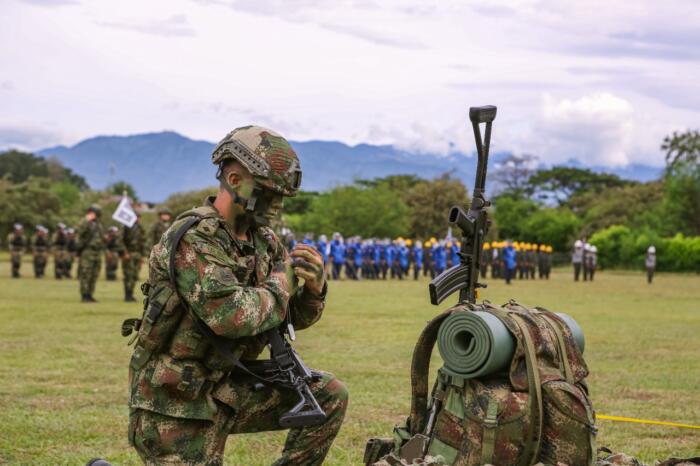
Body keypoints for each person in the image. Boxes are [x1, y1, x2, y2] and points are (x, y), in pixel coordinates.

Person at [128, 125, 347, 466]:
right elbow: (230, 317)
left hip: (225, 388)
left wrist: (314, 292)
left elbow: (284, 317)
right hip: (173, 405)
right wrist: (281, 283)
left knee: (329, 394)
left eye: (282, 197)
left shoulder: (264, 241)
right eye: (268, 193)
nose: (276, 206)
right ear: (233, 179)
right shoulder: (194, 239)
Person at [76, 204, 105, 302]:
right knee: (86, 274)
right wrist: (86, 219)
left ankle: (89, 294)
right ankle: (84, 295)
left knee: (94, 275)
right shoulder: (86, 222)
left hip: (97, 252)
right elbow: (79, 231)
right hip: (88, 252)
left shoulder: (98, 225)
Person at [121, 213, 147, 302]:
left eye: (139, 217)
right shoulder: (126, 227)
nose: (138, 219)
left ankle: (131, 293)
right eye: (136, 217)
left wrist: (142, 256)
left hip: (137, 254)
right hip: (129, 254)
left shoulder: (140, 228)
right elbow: (121, 240)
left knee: (135, 275)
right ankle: (127, 295)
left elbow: (143, 242)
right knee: (128, 275)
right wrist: (124, 253)